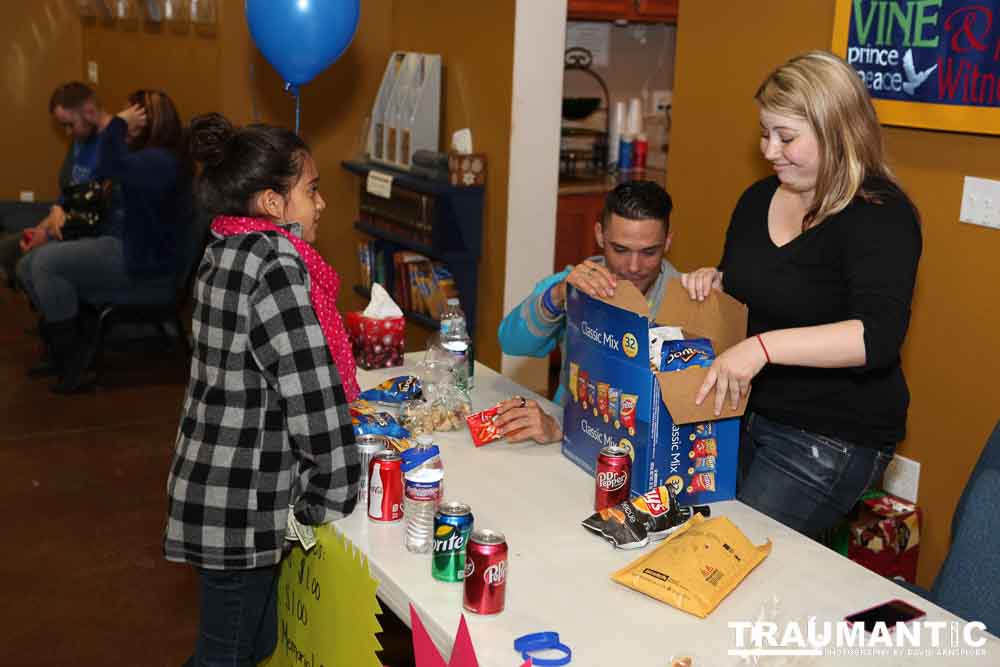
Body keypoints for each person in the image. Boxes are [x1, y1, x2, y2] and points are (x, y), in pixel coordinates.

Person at [681, 51, 922, 541]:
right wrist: (716, 282)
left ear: (838, 130)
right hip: (746, 414)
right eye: (765, 134)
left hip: (830, 434)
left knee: (735, 552)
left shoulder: (880, 215)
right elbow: (762, 284)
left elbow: (875, 337)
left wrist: (762, 347)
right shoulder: (756, 201)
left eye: (786, 137)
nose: (770, 150)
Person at [165, 113, 361, 667]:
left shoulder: (224, 246)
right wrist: (332, 491)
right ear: (273, 203)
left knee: (254, 645)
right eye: (311, 190)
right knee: (224, 655)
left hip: (215, 483)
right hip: (242, 502)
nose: (321, 203)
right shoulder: (275, 263)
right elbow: (311, 393)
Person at [17, 89, 191, 393]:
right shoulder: (143, 158)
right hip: (118, 245)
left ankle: (73, 362)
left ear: (149, 121)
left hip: (141, 261)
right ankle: (71, 350)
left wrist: (115, 125)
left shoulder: (161, 161)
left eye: (131, 116)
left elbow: (110, 165)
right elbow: (99, 180)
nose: (125, 122)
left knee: (45, 263)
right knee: (29, 262)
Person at [496, 180, 677, 443]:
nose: (634, 266)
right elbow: (511, 342)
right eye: (620, 249)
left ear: (668, 242)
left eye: (649, 252)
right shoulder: (573, 283)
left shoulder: (686, 300)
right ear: (600, 235)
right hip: (572, 433)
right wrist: (558, 295)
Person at [0, 82, 112, 285]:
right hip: (61, 220)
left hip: (83, 232)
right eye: (64, 126)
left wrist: (47, 233)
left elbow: (93, 215)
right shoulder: (82, 140)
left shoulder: (111, 145)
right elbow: (66, 194)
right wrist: (46, 224)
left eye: (70, 124)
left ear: (89, 112)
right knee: (7, 248)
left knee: (25, 262)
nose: (68, 132)